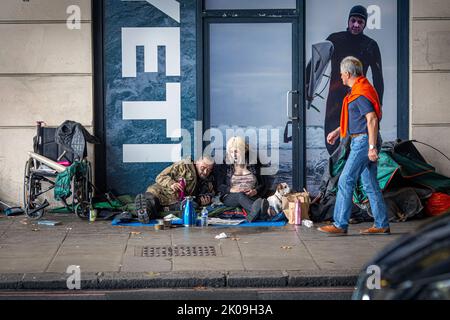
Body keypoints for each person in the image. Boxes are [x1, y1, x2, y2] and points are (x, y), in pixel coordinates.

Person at [318, 56, 390, 235]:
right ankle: (381, 224)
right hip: (363, 139)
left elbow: (371, 119)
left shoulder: (360, 93)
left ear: (348, 73)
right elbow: (355, 119)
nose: (340, 77)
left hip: (364, 141)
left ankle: (340, 225)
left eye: (341, 74)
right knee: (370, 184)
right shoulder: (360, 89)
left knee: (345, 180)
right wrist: (337, 131)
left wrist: (372, 147)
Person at [312, 5, 384, 155]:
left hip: (358, 97)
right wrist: (309, 90)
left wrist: (378, 105)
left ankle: (351, 172)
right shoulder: (334, 39)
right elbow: (317, 66)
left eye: (360, 22)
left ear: (365, 24)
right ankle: (338, 172)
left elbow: (378, 78)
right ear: (348, 20)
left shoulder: (370, 45)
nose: (356, 25)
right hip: (335, 97)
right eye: (353, 20)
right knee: (332, 138)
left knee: (357, 137)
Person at [134, 156, 215, 223]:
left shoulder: (208, 180)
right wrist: (171, 183)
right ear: (196, 163)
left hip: (177, 202)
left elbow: (208, 195)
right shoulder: (183, 165)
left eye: (208, 170)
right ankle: (144, 211)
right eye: (203, 168)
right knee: (151, 201)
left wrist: (204, 201)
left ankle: (155, 211)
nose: (205, 172)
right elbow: (160, 177)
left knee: (192, 206)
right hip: (161, 193)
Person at [216, 136, 270, 222]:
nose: (233, 154)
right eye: (231, 152)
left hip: (251, 195)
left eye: (236, 151)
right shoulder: (225, 164)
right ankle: (257, 211)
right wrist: (232, 189)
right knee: (240, 195)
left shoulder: (254, 161)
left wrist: (255, 191)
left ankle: (255, 215)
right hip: (231, 197)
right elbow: (219, 186)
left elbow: (264, 183)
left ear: (243, 150)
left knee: (257, 200)